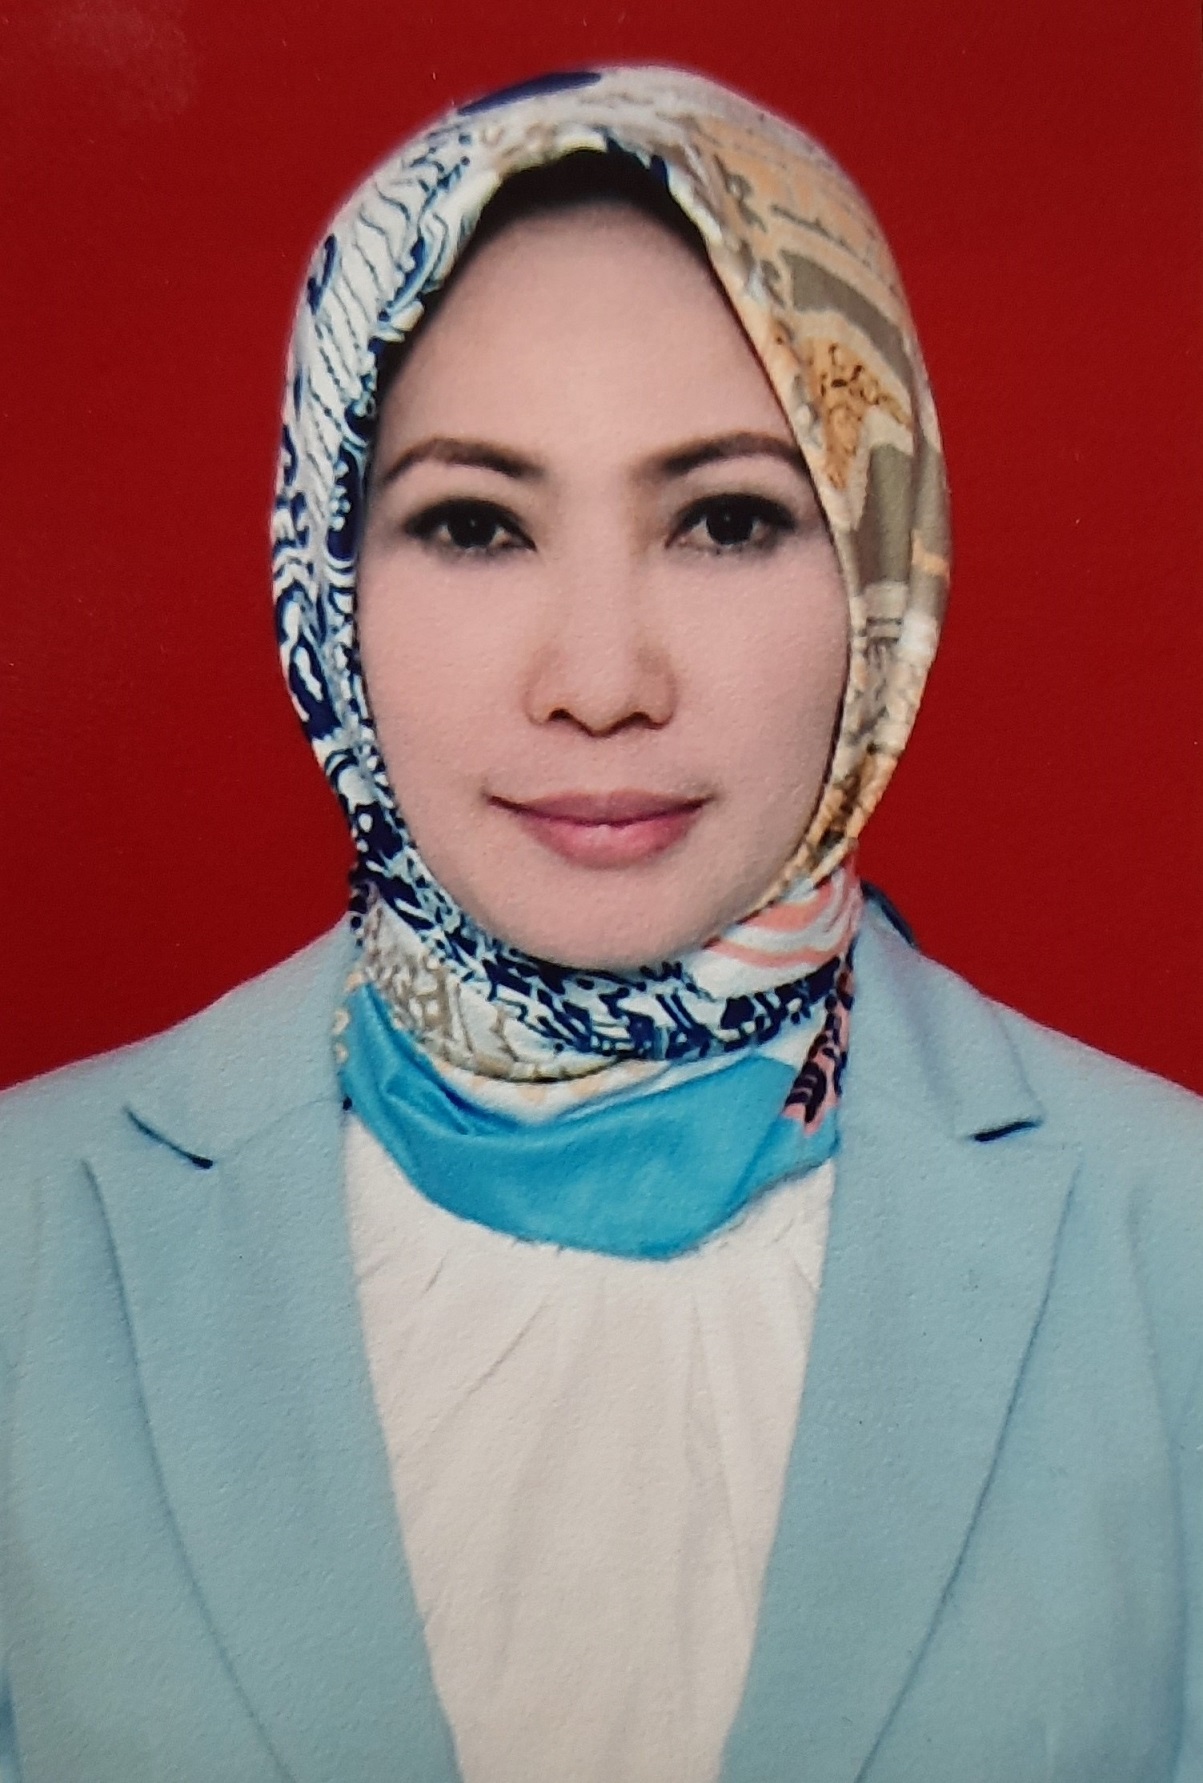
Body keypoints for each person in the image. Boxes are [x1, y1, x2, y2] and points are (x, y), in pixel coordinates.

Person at [1, 63, 1201, 1783]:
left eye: (725, 520)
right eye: (474, 524)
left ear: (881, 568)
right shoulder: (30, 1235)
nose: (600, 681)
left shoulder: (1173, 1242)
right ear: (330, 577)